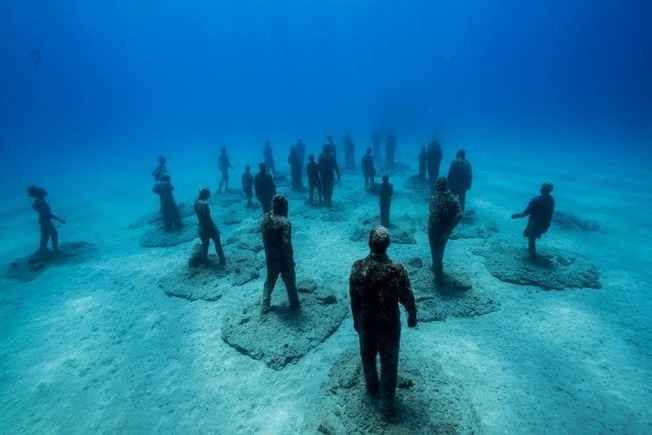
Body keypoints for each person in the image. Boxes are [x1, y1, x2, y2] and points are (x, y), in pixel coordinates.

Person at [349, 226, 418, 421]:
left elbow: (354, 298)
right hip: (389, 327)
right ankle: (387, 405)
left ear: (369, 243)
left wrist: (356, 321)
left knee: (367, 357)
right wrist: (412, 315)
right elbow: (407, 296)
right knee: (389, 364)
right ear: (387, 244)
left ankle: (372, 387)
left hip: (366, 324)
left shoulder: (357, 267)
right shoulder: (397, 269)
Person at [261, 194, 300, 314]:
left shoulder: (265, 219)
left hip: (270, 257)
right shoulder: (285, 222)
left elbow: (265, 240)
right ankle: (294, 304)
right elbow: (286, 243)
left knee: (270, 280)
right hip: (284, 258)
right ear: (285, 206)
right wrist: (290, 261)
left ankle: (265, 304)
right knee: (290, 281)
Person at [427, 177, 462, 284]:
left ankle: (438, 276)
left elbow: (433, 214)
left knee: (435, 250)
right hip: (445, 230)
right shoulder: (453, 199)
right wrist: (450, 227)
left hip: (434, 230)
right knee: (440, 249)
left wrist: (439, 226)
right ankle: (436, 266)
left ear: (438, 186)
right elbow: (459, 214)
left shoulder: (434, 199)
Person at [511, 182, 555, 258]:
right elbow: (550, 214)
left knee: (531, 238)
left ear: (542, 189)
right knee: (533, 237)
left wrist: (517, 215)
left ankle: (533, 255)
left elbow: (526, 212)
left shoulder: (536, 200)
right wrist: (547, 225)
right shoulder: (551, 199)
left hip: (534, 222)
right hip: (543, 223)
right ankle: (532, 252)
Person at [27, 186, 65, 253]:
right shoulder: (40, 202)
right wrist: (60, 220)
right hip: (45, 221)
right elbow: (48, 214)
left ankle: (43, 249)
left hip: (43, 221)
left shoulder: (40, 201)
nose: (45, 195)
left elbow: (42, 211)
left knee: (45, 235)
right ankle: (55, 250)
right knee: (54, 234)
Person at [194, 187, 225, 264]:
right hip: (209, 227)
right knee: (217, 242)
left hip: (201, 227)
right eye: (209, 194)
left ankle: (205, 261)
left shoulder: (196, 202)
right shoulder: (205, 204)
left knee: (205, 245)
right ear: (206, 194)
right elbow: (207, 218)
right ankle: (222, 259)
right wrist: (213, 228)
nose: (209, 195)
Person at [447, 149, 473, 213]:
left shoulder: (454, 161)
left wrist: (448, 183)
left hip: (454, 184)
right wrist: (469, 185)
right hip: (463, 186)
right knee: (461, 201)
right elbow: (470, 175)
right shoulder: (468, 163)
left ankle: (450, 213)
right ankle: (460, 215)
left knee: (452, 199)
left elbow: (450, 173)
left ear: (458, 154)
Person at [318, 143, 341, 207]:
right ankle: (329, 201)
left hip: (323, 174)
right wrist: (338, 173)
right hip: (330, 174)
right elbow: (335, 165)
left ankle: (325, 200)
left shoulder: (320, 156)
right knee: (330, 187)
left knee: (324, 187)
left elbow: (318, 166)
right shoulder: (332, 156)